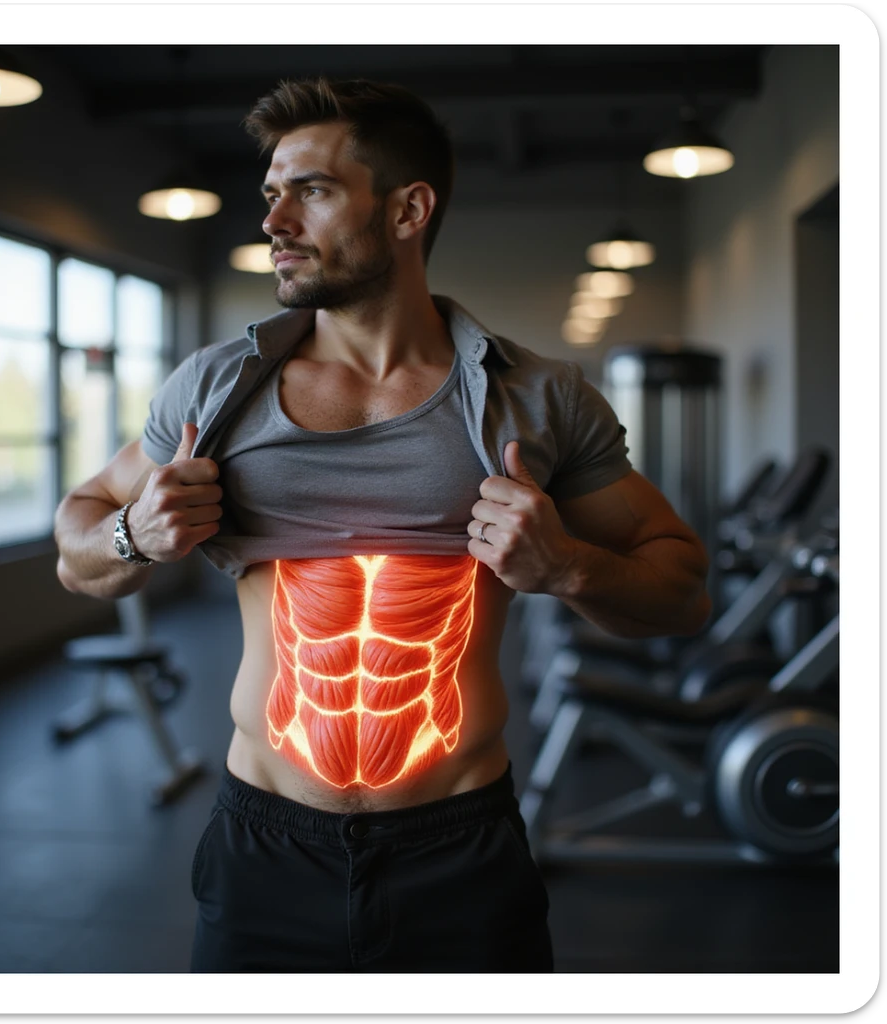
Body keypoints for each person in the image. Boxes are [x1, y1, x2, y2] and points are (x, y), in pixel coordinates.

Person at [54, 77, 712, 973]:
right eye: (270, 195)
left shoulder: (535, 397)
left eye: (312, 191)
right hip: (263, 844)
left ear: (408, 210)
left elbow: (684, 590)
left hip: (461, 851)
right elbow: (77, 542)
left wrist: (567, 566)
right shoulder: (212, 389)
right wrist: (136, 532)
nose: (275, 222)